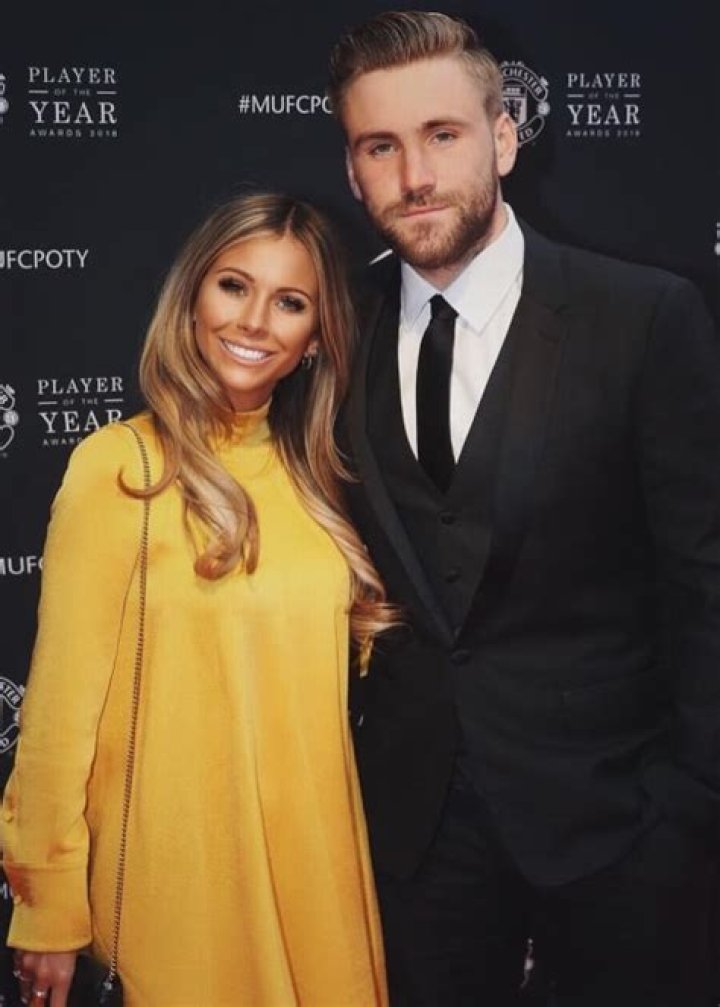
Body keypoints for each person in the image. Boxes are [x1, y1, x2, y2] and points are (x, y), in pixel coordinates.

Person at [327, 11, 720, 1007]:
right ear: (353, 171)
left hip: (618, 824)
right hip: (416, 828)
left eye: (443, 134)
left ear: (504, 138)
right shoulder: (332, 327)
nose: (415, 175)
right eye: (381, 146)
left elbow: (705, 578)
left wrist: (688, 805)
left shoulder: (643, 315)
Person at [1, 192, 394, 1007]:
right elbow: (58, 713)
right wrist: (46, 904)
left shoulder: (322, 480)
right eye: (233, 286)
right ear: (191, 297)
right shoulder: (121, 468)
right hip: (178, 878)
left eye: (290, 302)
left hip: (314, 868)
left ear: (316, 339)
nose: (254, 321)